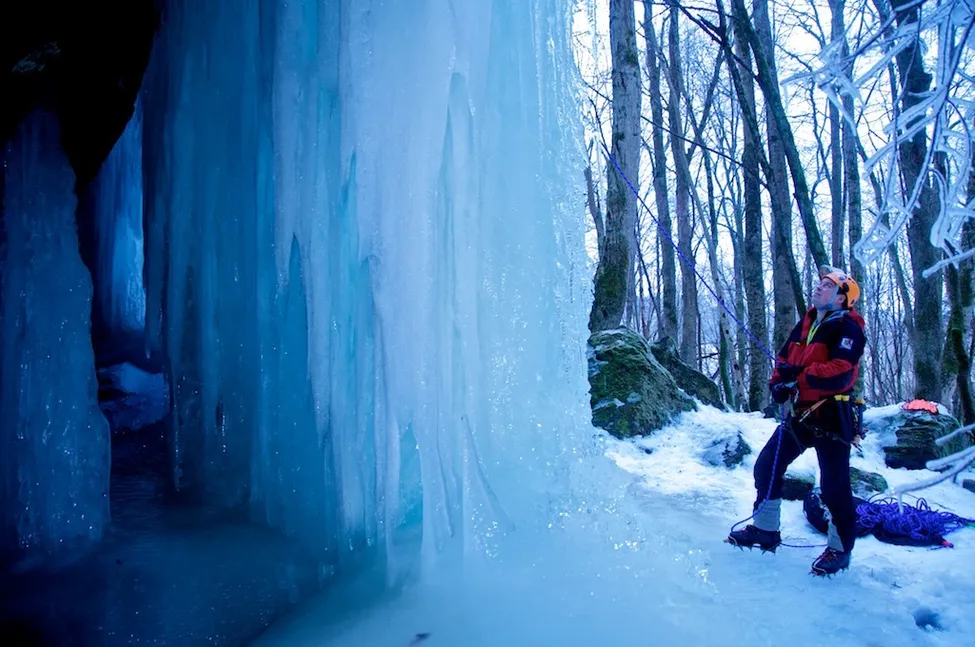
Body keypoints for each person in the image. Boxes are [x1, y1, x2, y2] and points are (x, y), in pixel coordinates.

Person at [727, 265, 867, 577]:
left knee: (834, 488)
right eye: (819, 284)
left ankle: (840, 549)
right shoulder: (807, 323)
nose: (818, 288)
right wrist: (778, 383)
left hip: (832, 416)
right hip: (801, 414)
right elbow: (784, 359)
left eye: (827, 286)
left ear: (842, 298)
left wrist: (800, 376)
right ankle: (765, 530)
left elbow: (842, 372)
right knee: (767, 466)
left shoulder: (849, 329)